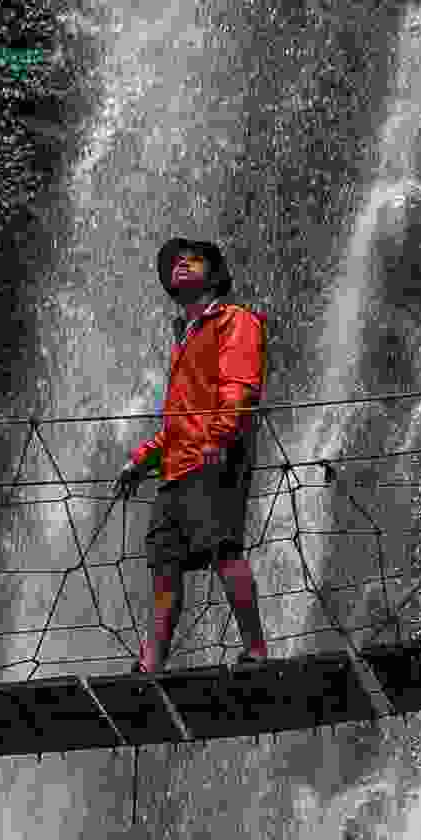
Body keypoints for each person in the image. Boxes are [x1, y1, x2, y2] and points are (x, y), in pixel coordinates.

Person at [131, 231, 271, 670]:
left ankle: (256, 650)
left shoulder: (236, 321)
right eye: (176, 262)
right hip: (177, 465)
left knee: (224, 550)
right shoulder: (184, 335)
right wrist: (141, 460)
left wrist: (218, 437)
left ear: (215, 273)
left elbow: (239, 388)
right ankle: (150, 663)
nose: (181, 264)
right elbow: (179, 415)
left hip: (215, 456)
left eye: (193, 259)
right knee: (164, 564)